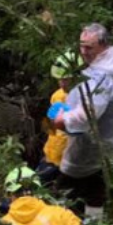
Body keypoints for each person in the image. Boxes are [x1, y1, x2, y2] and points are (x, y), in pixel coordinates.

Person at [48, 23, 113, 212]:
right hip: (109, 141)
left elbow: (86, 116)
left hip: (92, 143)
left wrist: (61, 121)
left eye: (89, 47)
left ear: (103, 45)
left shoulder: (102, 75)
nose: (83, 51)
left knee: (63, 194)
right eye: (81, 45)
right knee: (95, 190)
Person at [38, 50, 79, 182]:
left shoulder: (84, 97)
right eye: (60, 79)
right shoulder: (57, 96)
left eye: (65, 79)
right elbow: (50, 125)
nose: (62, 83)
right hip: (52, 151)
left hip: (69, 155)